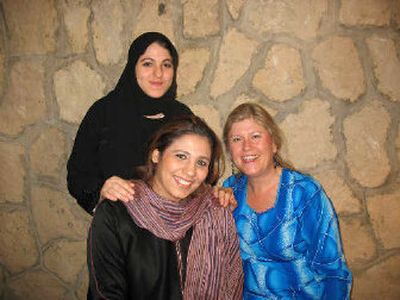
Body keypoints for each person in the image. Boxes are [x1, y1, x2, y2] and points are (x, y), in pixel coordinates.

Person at [67, 32, 232, 214]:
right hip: (119, 230)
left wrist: (215, 194)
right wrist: (101, 192)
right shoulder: (104, 113)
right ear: (133, 67)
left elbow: (199, 175)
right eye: (147, 63)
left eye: (166, 65)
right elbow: (78, 176)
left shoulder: (182, 117)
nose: (158, 73)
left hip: (175, 231)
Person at [87, 116, 243, 299]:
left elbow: (230, 284)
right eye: (181, 156)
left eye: (201, 162)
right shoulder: (115, 214)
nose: (190, 171)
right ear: (156, 155)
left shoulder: (213, 212)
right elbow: (106, 294)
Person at [222, 103, 352, 299]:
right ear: (230, 150)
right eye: (237, 139)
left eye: (255, 136)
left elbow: (333, 273)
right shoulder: (231, 191)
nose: (246, 146)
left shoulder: (304, 193)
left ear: (274, 144)